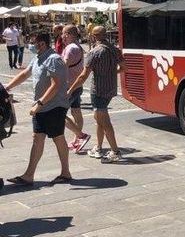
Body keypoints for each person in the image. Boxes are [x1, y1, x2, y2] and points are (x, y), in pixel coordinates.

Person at [4, 32, 72, 186]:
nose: (30, 45)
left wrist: (40, 103)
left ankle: (66, 172)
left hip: (54, 106)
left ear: (42, 44)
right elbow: (25, 74)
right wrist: (7, 87)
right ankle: (29, 175)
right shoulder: (37, 58)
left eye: (33, 42)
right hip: (41, 107)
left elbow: (56, 85)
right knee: (37, 138)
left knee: (58, 138)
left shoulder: (53, 59)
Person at [67, 26, 124, 163]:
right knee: (99, 119)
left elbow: (83, 76)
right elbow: (124, 67)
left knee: (104, 121)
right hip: (110, 89)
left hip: (98, 90)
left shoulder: (94, 52)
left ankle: (115, 151)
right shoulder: (115, 50)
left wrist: (70, 90)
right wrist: (111, 73)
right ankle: (98, 147)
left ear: (93, 36)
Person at [61, 25, 90, 153]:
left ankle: (81, 136)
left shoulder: (70, 48)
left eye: (63, 34)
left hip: (69, 86)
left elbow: (63, 66)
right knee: (76, 112)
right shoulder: (78, 46)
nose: (62, 36)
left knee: (58, 114)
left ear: (68, 34)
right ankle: (76, 141)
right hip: (77, 85)